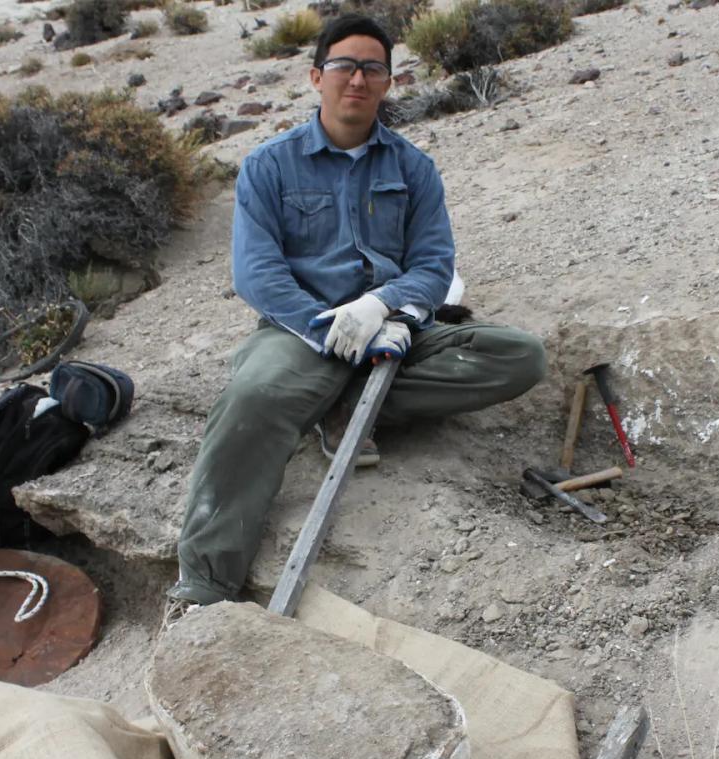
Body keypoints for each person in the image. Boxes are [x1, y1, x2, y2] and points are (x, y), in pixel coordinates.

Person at [166, 13, 547, 608]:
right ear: (316, 76)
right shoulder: (269, 165)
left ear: (389, 84)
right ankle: (206, 585)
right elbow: (257, 275)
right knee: (254, 399)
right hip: (302, 332)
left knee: (517, 356)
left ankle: (336, 405)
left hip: (391, 326)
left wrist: (383, 307)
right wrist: (332, 330)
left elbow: (433, 265)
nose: (358, 80)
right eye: (344, 66)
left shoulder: (413, 168)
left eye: (373, 69)